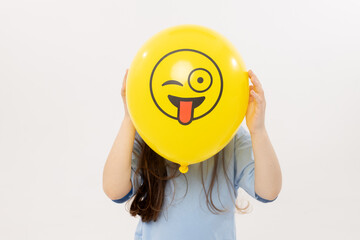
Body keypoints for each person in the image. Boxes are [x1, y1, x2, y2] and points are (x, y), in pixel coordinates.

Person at [102, 69, 282, 240]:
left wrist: (258, 130)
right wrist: (129, 117)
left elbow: (268, 191)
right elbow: (114, 190)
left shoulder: (229, 136)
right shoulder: (147, 133)